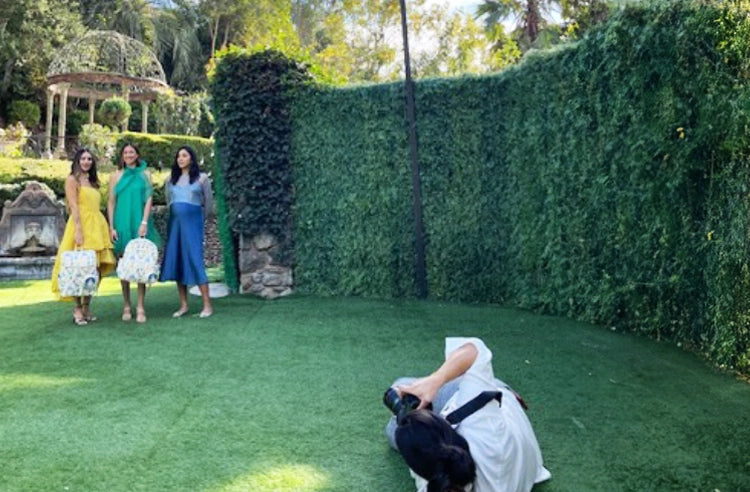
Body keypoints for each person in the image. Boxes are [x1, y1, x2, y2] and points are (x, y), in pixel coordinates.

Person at [385, 337, 551, 492]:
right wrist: (434, 381)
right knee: (405, 397)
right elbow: (474, 349)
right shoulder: (486, 434)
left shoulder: (433, 482)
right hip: (498, 407)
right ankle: (491, 384)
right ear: (444, 429)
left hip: (475, 417)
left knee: (397, 408)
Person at [51, 148, 116, 325]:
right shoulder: (72, 180)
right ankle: (77, 307)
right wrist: (78, 230)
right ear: (77, 161)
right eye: (83, 158)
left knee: (94, 268)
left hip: (97, 225)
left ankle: (87, 306)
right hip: (81, 225)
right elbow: (73, 205)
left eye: (89, 159)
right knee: (77, 267)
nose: (86, 162)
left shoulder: (94, 182)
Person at [107, 142, 161, 323]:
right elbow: (111, 202)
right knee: (123, 264)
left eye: (132, 152)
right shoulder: (115, 176)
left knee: (140, 264)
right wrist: (111, 226)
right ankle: (126, 305)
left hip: (139, 221)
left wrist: (144, 222)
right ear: (121, 156)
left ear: (137, 155)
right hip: (122, 222)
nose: (128, 155)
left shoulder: (145, 174)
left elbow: (148, 199)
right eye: (125, 152)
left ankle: (140, 306)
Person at [159, 146, 214, 318]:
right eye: (178, 156)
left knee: (195, 259)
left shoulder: (202, 178)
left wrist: (197, 219)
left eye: (184, 155)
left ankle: (207, 305)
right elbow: (169, 202)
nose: (180, 159)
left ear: (192, 158)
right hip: (175, 224)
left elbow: (208, 204)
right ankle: (183, 305)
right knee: (178, 260)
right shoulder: (170, 180)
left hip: (193, 224)